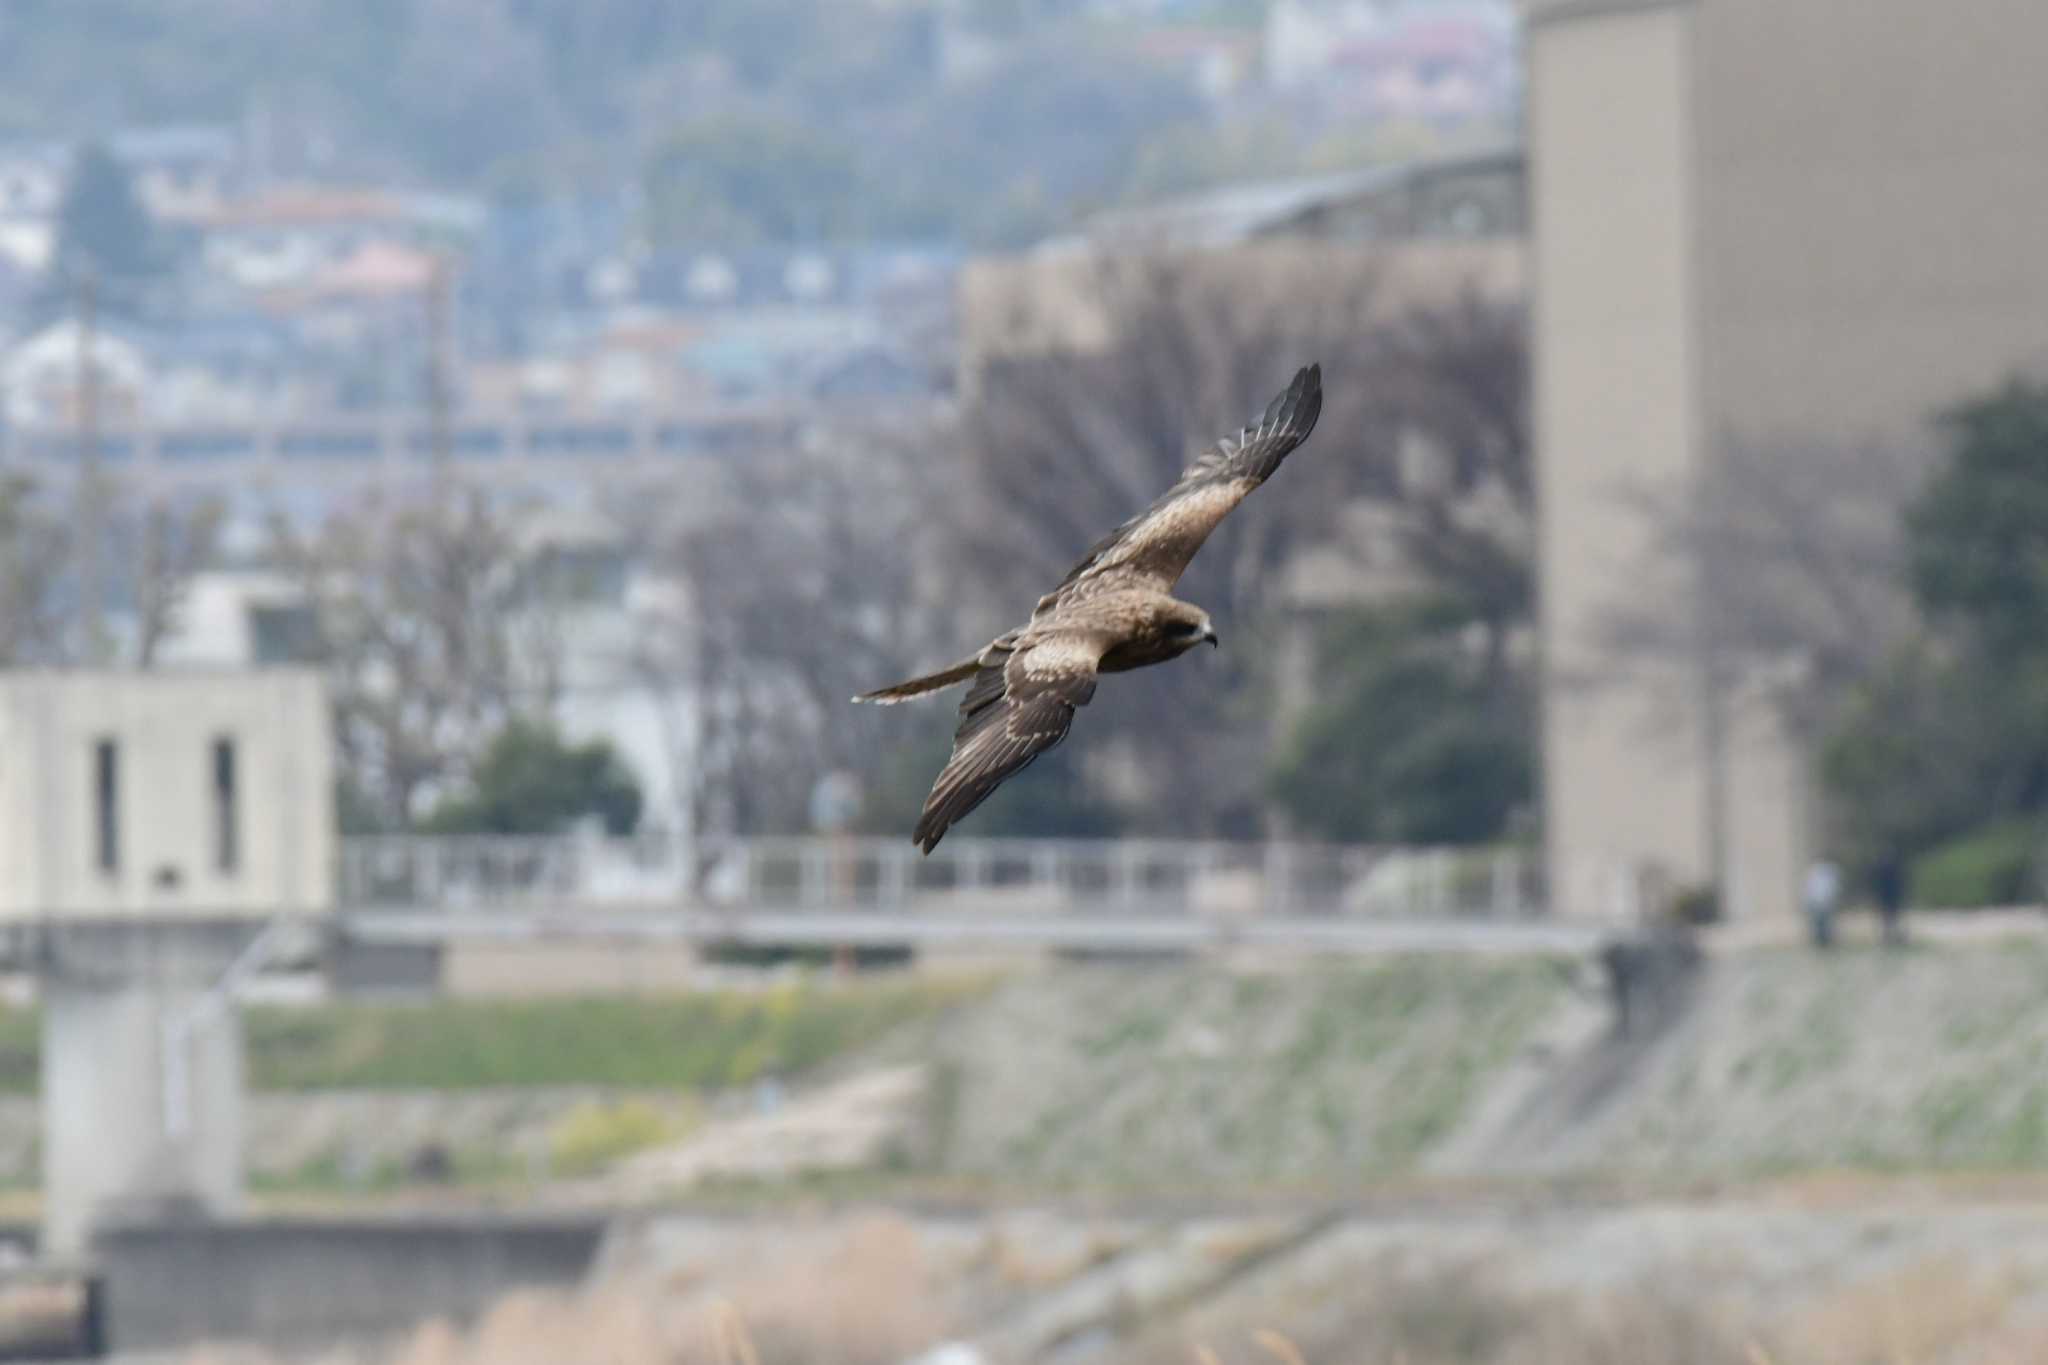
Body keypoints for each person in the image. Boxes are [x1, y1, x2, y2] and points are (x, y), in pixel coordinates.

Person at [1803, 857, 1841, 949]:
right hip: (1818, 904)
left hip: (1825, 904)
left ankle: (1826, 943)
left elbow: (1833, 889)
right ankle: (1821, 943)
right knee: (1819, 926)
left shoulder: (1830, 871)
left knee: (1826, 926)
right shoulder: (1816, 872)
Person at [1873, 851, 1908, 948]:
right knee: (1892, 918)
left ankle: (1889, 937)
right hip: (1891, 896)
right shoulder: (1894, 870)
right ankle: (1892, 937)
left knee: (1888, 919)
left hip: (1887, 896)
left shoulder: (1881, 869)